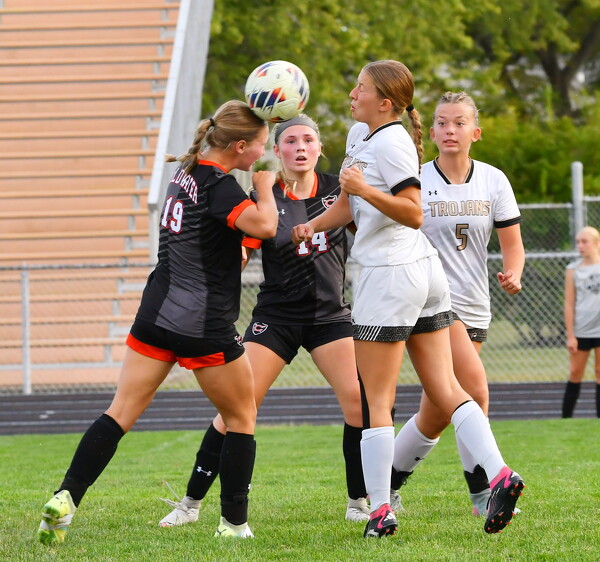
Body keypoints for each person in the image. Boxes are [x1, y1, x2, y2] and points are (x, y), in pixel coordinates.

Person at [291, 60, 524, 538]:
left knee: (377, 400)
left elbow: (413, 212)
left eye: (360, 87)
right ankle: (500, 474)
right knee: (447, 389)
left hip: (391, 275)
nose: (352, 93)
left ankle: (380, 509)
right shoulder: (360, 134)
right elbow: (348, 204)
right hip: (424, 274)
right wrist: (313, 224)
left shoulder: (392, 141)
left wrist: (363, 188)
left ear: (385, 103)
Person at [37, 100, 278, 544]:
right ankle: (233, 525)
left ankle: (65, 499)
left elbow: (211, 236)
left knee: (120, 412)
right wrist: (264, 189)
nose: (263, 154)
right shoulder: (222, 185)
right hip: (201, 323)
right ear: (240, 147)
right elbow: (265, 226)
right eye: (261, 146)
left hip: (156, 314)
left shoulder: (185, 172)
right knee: (241, 416)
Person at [158, 114, 370, 528]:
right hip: (276, 317)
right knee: (237, 408)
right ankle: (189, 503)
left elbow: (372, 231)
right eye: (290, 140)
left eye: (308, 139)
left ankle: (358, 501)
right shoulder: (265, 195)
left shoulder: (339, 190)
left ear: (320, 147)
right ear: (277, 151)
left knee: (359, 403)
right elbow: (242, 250)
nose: (300, 147)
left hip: (329, 317)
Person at [390, 91, 525, 517]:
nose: (450, 130)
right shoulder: (414, 179)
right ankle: (484, 494)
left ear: (475, 132)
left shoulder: (493, 180)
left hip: (475, 304)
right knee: (474, 392)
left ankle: (381, 484)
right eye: (442, 122)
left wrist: (514, 272)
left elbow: (512, 245)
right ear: (431, 132)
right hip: (430, 302)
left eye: (460, 122)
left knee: (437, 414)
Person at [562, 226, 600, 418]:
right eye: (578, 242)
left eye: (584, 242)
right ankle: (566, 419)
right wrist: (571, 335)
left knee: (599, 372)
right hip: (581, 330)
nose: (580, 246)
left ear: (596, 243)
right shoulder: (573, 270)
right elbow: (569, 303)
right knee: (575, 373)